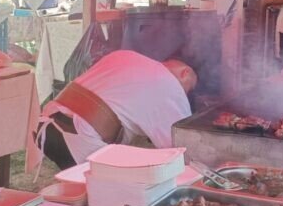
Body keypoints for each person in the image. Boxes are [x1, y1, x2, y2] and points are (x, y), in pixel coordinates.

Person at [36, 50, 196, 168]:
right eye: (189, 89)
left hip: (47, 123)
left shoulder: (125, 55)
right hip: (78, 136)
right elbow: (179, 147)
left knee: (84, 189)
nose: (184, 94)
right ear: (185, 73)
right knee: (110, 191)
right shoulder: (170, 86)